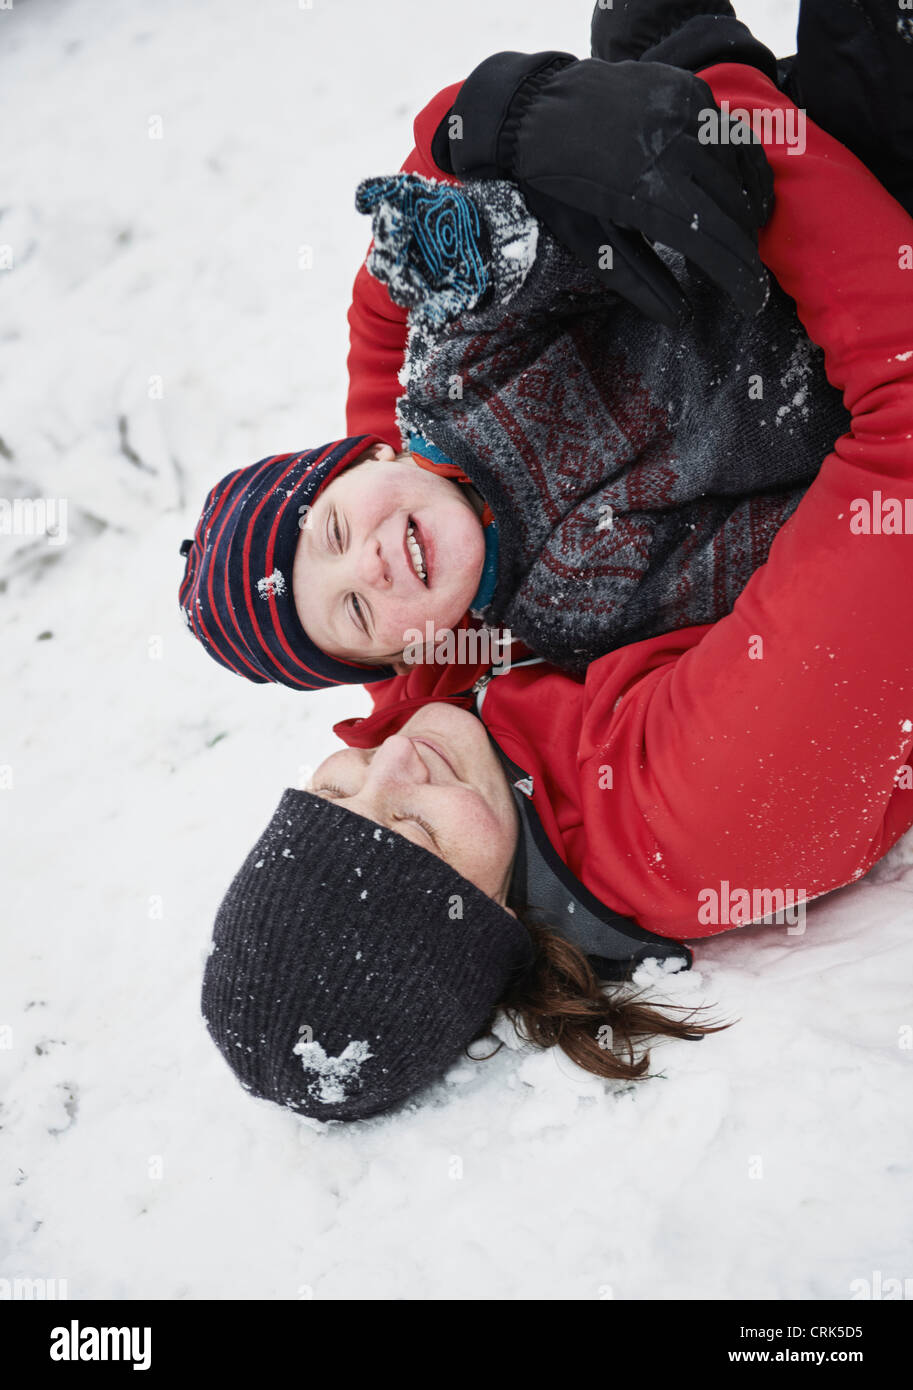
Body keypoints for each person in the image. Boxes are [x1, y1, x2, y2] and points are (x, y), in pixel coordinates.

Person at [200, 65, 913, 1121]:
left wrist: (504, 124)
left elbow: (399, 368)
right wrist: (738, 128)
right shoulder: (690, 818)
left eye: (339, 789)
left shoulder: (445, 697)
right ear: (485, 919)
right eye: (419, 827)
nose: (394, 759)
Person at [178, 0, 904, 688]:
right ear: (413, 652)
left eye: (334, 530)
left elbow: (504, 269)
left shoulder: (446, 383)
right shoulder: (577, 614)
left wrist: (462, 242)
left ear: (368, 455)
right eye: (357, 612)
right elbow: (779, 545)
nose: (369, 567)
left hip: (757, 196)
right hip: (860, 362)